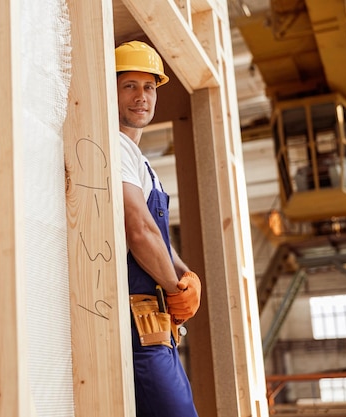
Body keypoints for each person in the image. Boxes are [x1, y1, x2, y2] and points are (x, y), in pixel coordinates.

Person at [115, 40, 202, 417]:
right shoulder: (114, 147)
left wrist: (184, 276)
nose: (141, 96)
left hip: (158, 327)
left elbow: (158, 236)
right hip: (139, 321)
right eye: (129, 86)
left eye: (149, 87)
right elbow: (139, 231)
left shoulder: (142, 163)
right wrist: (172, 289)